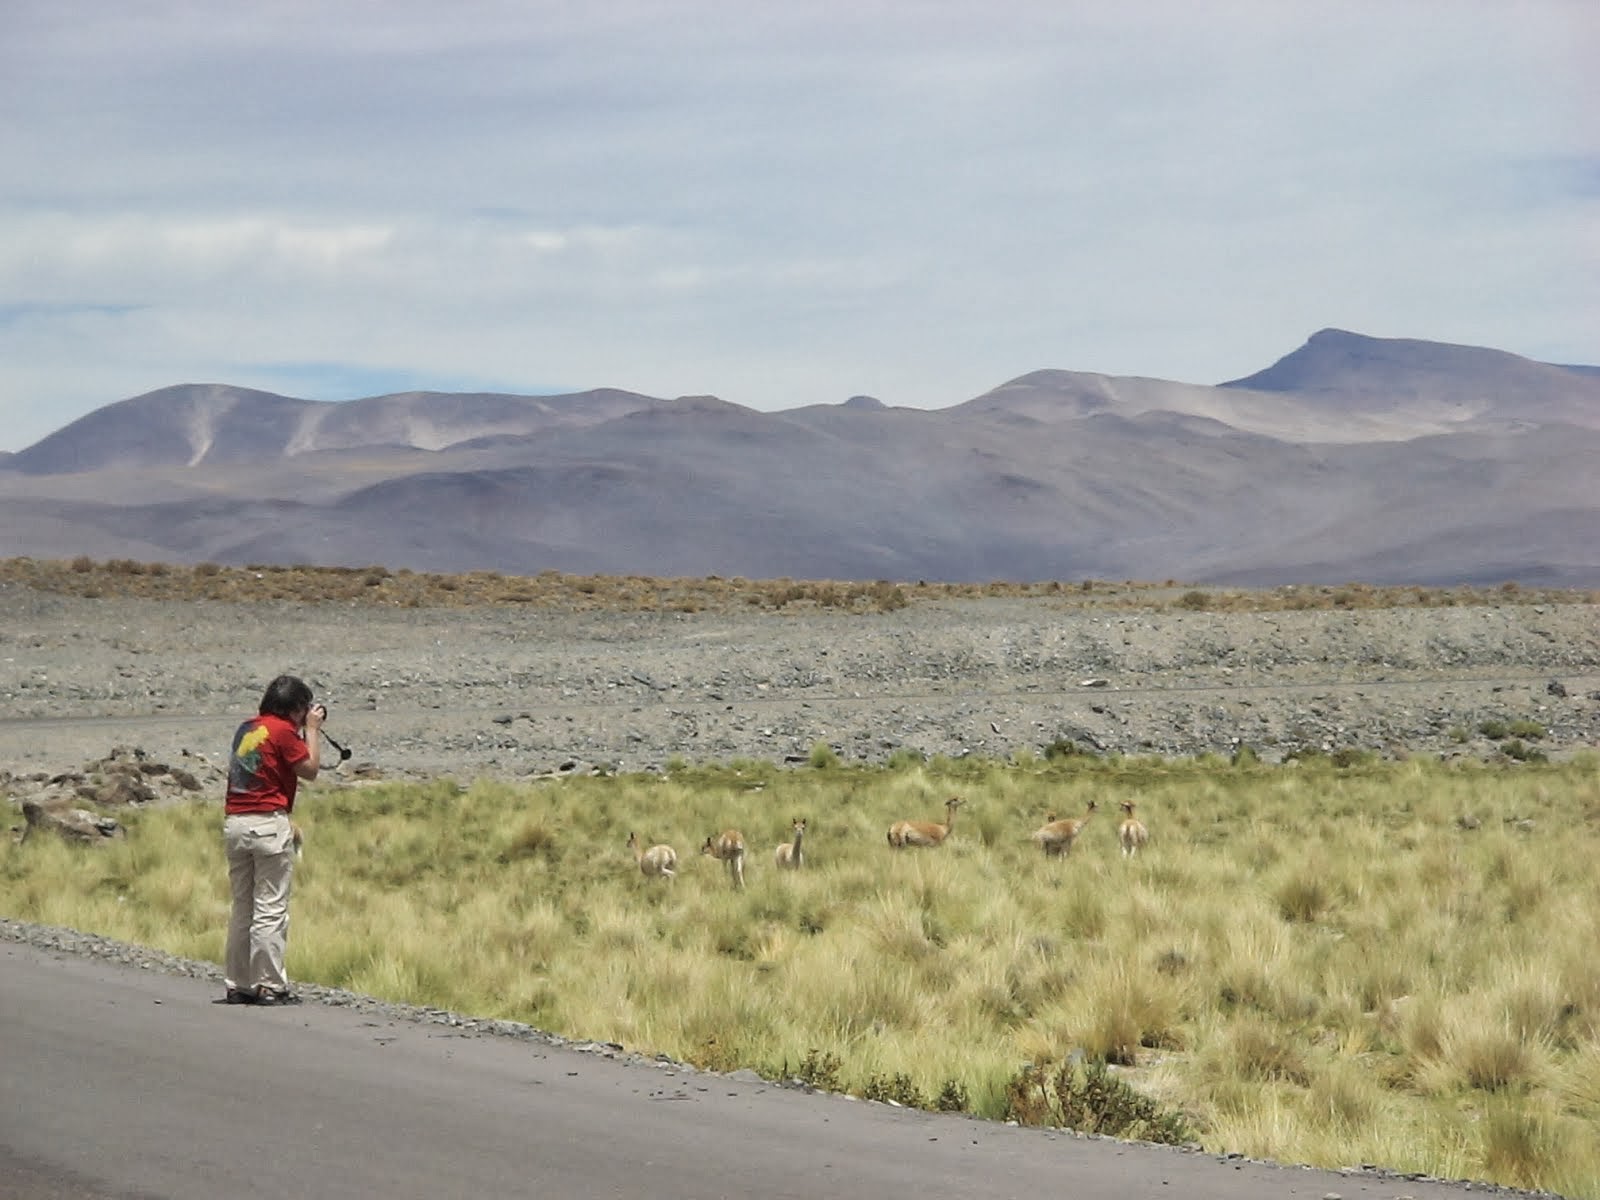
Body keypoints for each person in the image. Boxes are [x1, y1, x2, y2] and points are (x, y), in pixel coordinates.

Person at [222, 674, 323, 1005]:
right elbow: (309, 769)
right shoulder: (282, 730)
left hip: (235, 821)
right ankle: (270, 985)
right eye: (303, 708)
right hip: (267, 823)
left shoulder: (247, 728)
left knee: (243, 907)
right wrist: (313, 730)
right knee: (270, 908)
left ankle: (239, 984)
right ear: (295, 708)